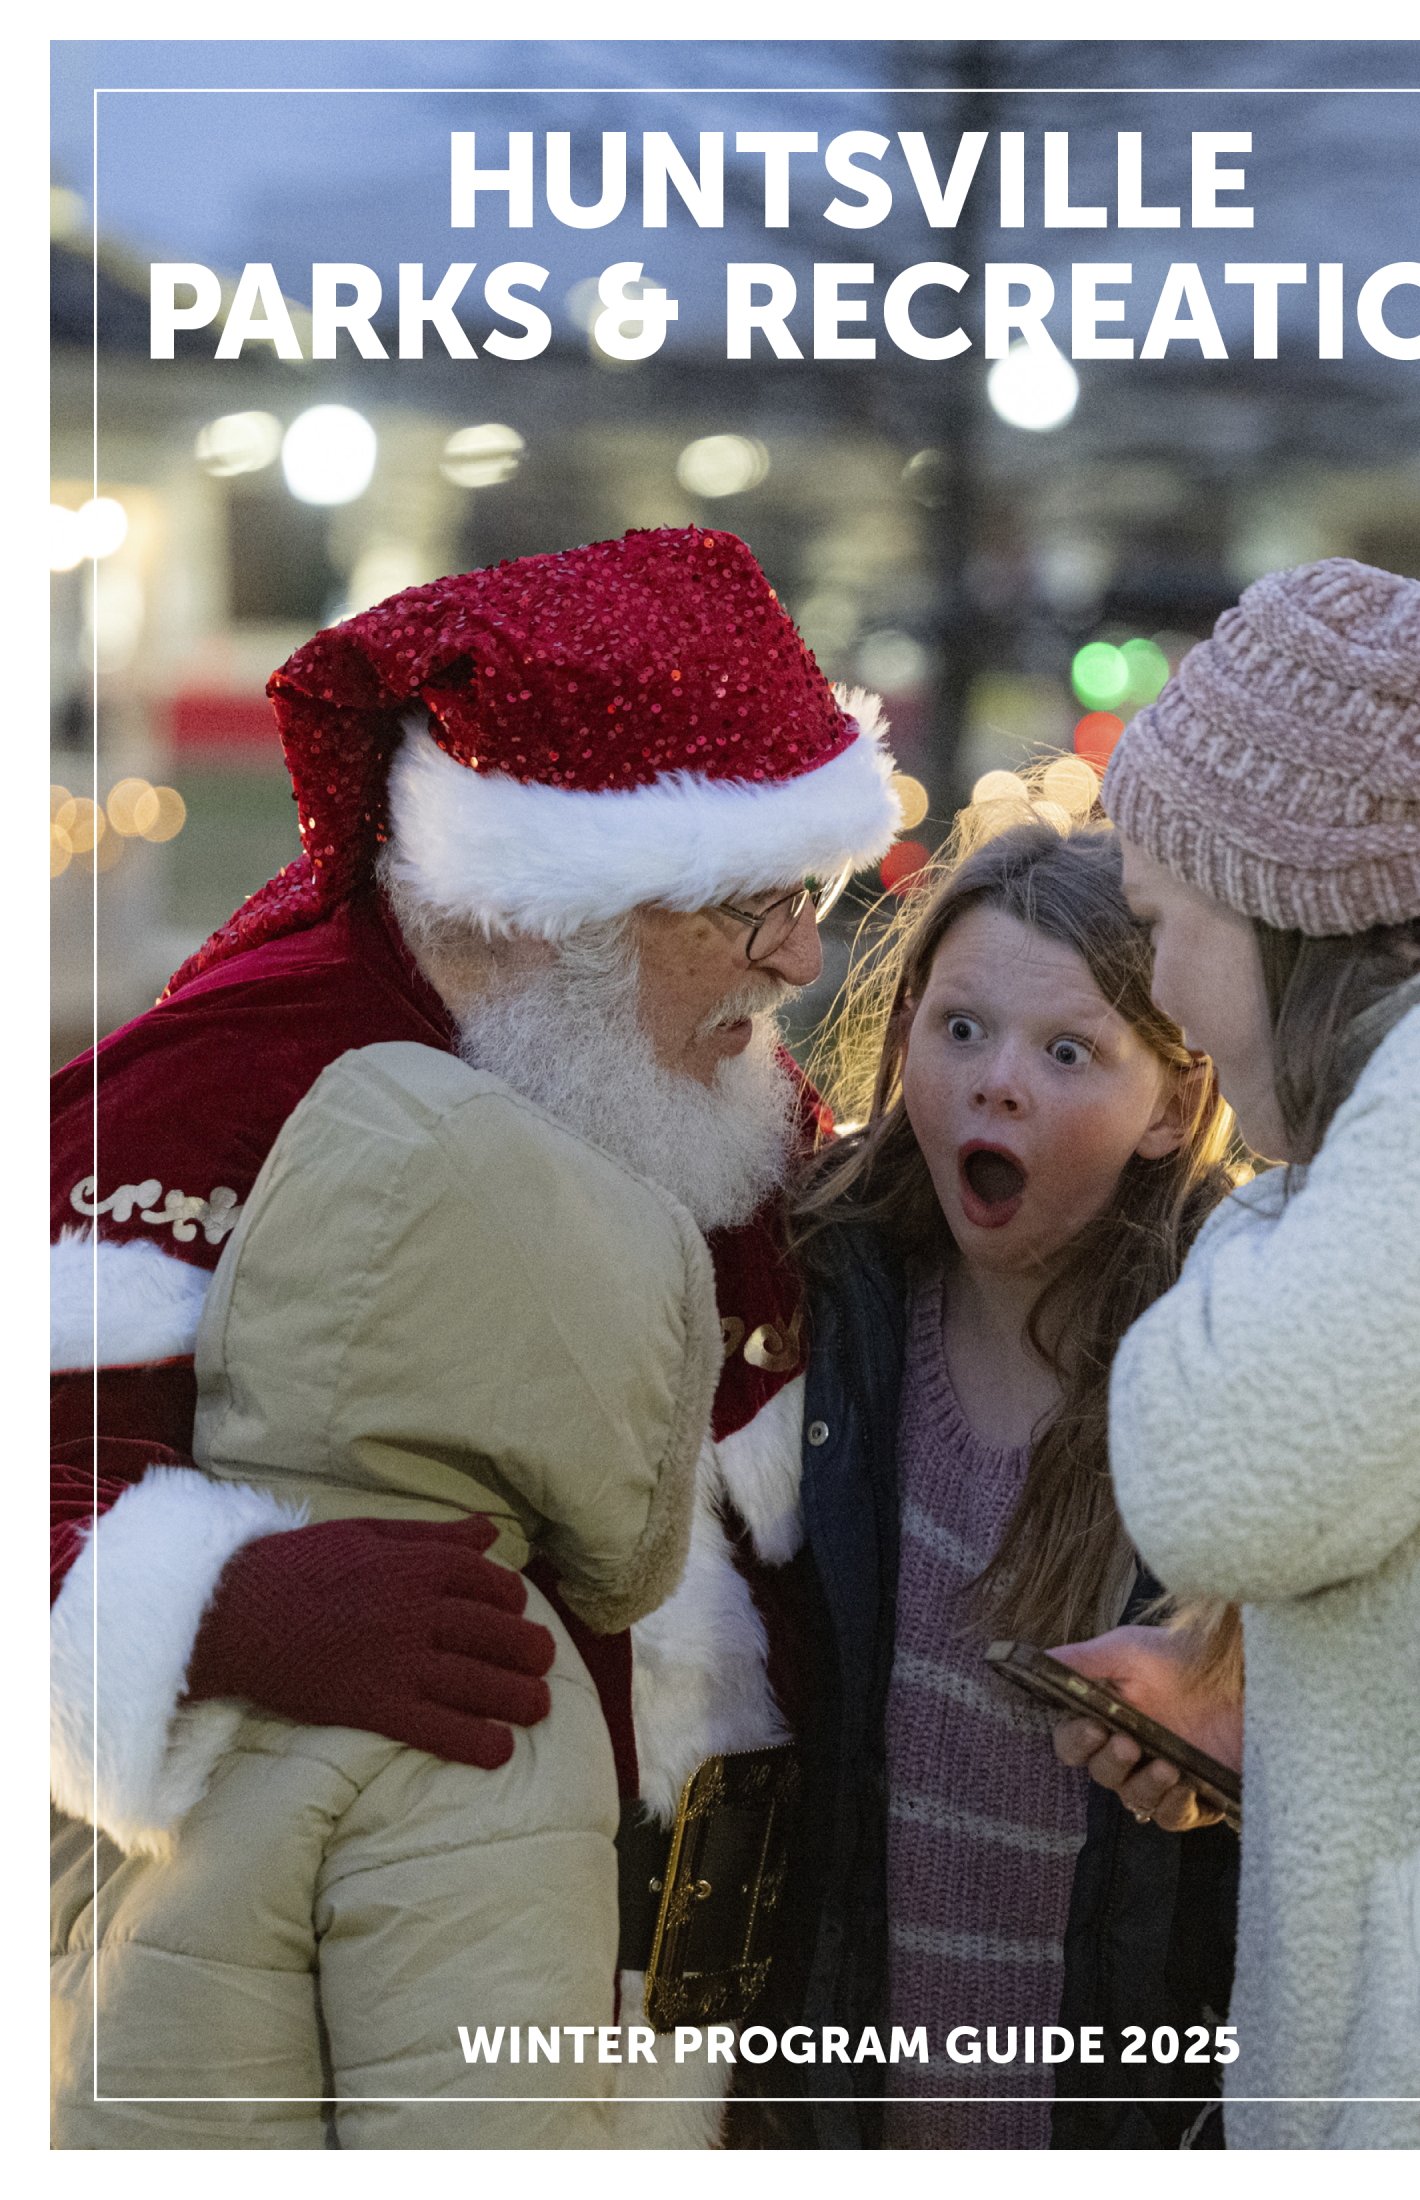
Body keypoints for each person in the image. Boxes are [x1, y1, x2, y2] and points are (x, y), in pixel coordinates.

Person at [49, 526, 902, 2145]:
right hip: (334, 2018)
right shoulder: (225, 1086)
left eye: (813, 896)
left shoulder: (719, 1097)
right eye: (746, 906)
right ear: (538, 907)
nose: (802, 957)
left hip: (717, 2034)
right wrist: (215, 1610)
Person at [1070, 556, 1420, 2147]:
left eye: (1163, 924)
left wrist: (1267, 1214)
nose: (1169, 1000)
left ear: (1293, 906)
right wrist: (1306, 1703)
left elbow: (1211, 1465)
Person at [768, 797, 1245, 2151]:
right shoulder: (817, 1301)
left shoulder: (1247, 1362)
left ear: (1174, 1108)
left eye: (1072, 1051)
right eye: (960, 1027)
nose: (997, 1082)